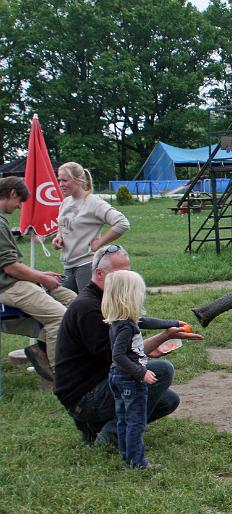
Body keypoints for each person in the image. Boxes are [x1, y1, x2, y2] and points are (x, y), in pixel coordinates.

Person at [53, 244, 203, 445]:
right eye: (121, 274)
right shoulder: (88, 308)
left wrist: (171, 326)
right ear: (100, 273)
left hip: (99, 385)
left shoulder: (108, 301)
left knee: (167, 401)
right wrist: (162, 337)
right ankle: (113, 435)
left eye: (129, 272)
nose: (127, 278)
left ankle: (97, 428)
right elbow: (117, 357)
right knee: (162, 371)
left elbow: (135, 326)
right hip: (84, 398)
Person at [102, 270, 184, 469]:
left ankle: (128, 455)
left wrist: (173, 324)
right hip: (130, 379)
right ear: (129, 297)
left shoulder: (122, 321)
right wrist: (142, 373)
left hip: (118, 378)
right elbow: (118, 356)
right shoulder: (125, 328)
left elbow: (147, 321)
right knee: (135, 421)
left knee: (123, 419)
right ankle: (137, 463)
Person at [0, 176, 76, 379]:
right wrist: (41, 279)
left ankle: (40, 353)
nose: (18, 208)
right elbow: (10, 268)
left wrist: (40, 275)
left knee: (71, 301)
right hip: (8, 287)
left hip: (12, 282)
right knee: (60, 318)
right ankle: (62, 377)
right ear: (13, 193)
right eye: (19, 202)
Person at [53, 161, 130, 293]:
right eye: (59, 180)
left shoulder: (94, 202)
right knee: (68, 307)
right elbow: (65, 227)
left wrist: (99, 243)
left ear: (78, 180)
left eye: (65, 180)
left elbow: (122, 223)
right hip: (68, 265)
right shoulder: (65, 203)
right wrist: (58, 238)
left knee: (89, 307)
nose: (60, 184)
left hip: (86, 264)